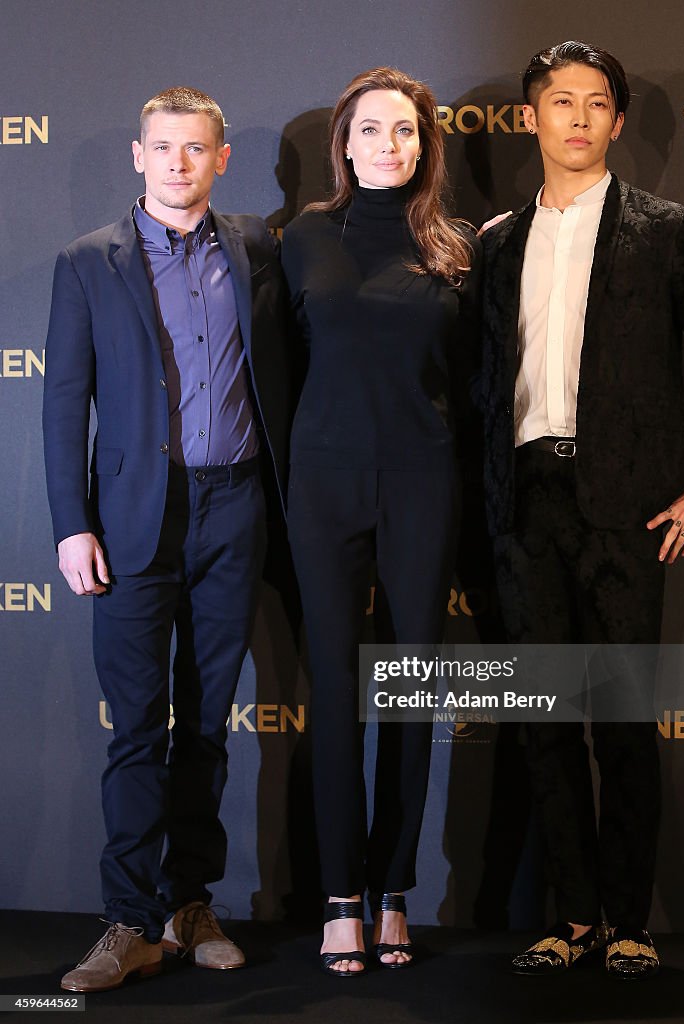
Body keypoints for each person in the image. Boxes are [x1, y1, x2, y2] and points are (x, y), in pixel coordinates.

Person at [480, 41, 684, 979]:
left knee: (625, 719)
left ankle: (628, 920)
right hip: (526, 507)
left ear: (618, 122)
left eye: (597, 103)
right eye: (561, 102)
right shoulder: (495, 241)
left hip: (629, 507)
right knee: (546, 722)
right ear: (531, 119)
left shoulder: (663, 228)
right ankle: (569, 918)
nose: (579, 118)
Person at [42, 87, 291, 992]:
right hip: (132, 517)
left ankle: (191, 904)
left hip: (235, 509)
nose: (179, 162)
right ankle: (128, 920)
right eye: (163, 147)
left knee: (209, 730)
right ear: (138, 158)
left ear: (220, 159)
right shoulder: (88, 262)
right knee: (138, 729)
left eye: (196, 148)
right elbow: (65, 400)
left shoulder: (256, 246)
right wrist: (73, 523)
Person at [281, 67, 481, 976]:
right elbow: (276, 372)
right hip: (321, 486)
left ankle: (394, 889)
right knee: (334, 691)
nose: (386, 146)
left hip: (421, 483)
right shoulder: (303, 238)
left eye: (404, 131)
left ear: (424, 145)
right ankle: (337, 900)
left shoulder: (452, 246)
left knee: (405, 693)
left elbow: (476, 390)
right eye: (369, 130)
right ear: (345, 143)